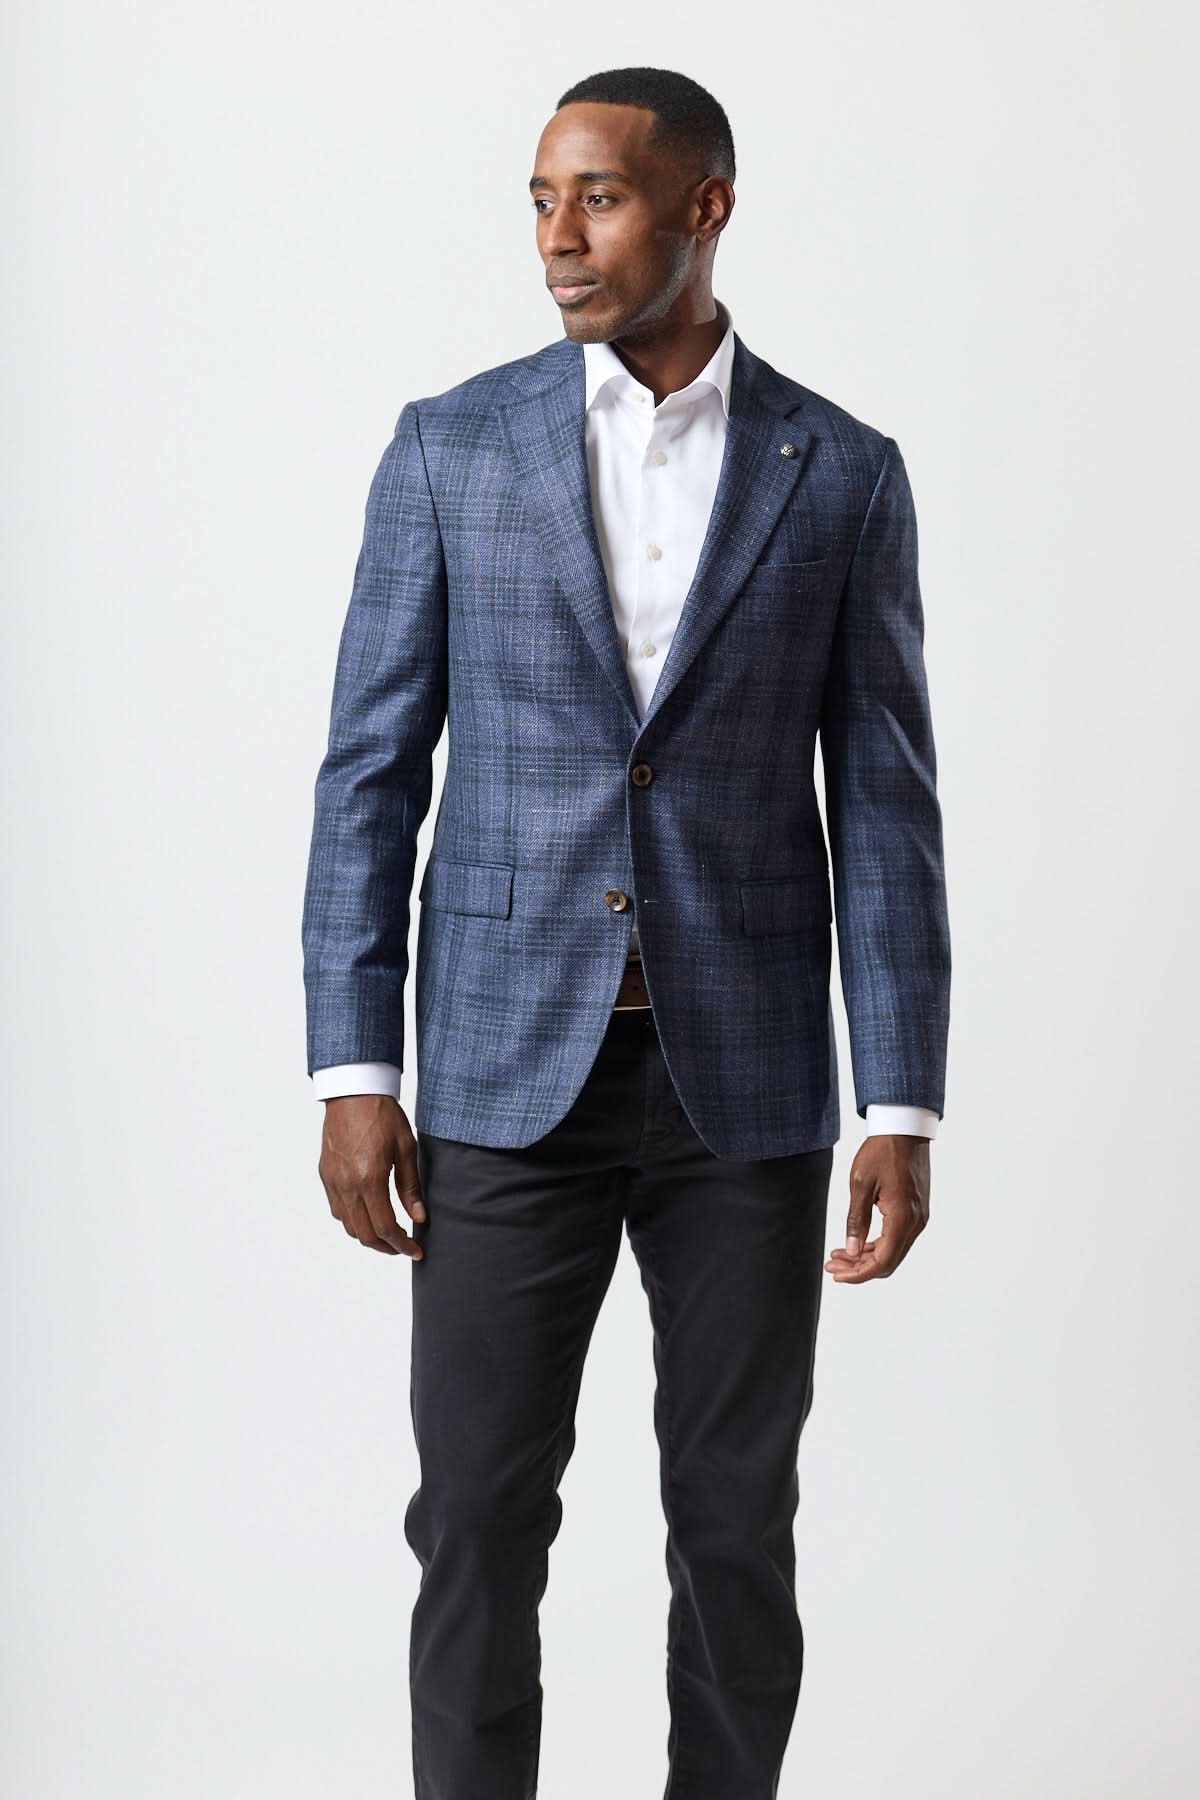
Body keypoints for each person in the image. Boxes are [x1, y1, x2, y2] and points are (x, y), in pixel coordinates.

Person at [301, 63, 951, 1800]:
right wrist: (356, 1070)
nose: (558, 238)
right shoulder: (451, 446)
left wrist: (900, 1101)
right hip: (503, 1075)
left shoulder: (843, 472)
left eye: (596, 196)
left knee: (736, 1526)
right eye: (540, 199)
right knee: (477, 1517)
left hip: (745, 1087)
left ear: (704, 206)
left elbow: (886, 807)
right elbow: (370, 774)